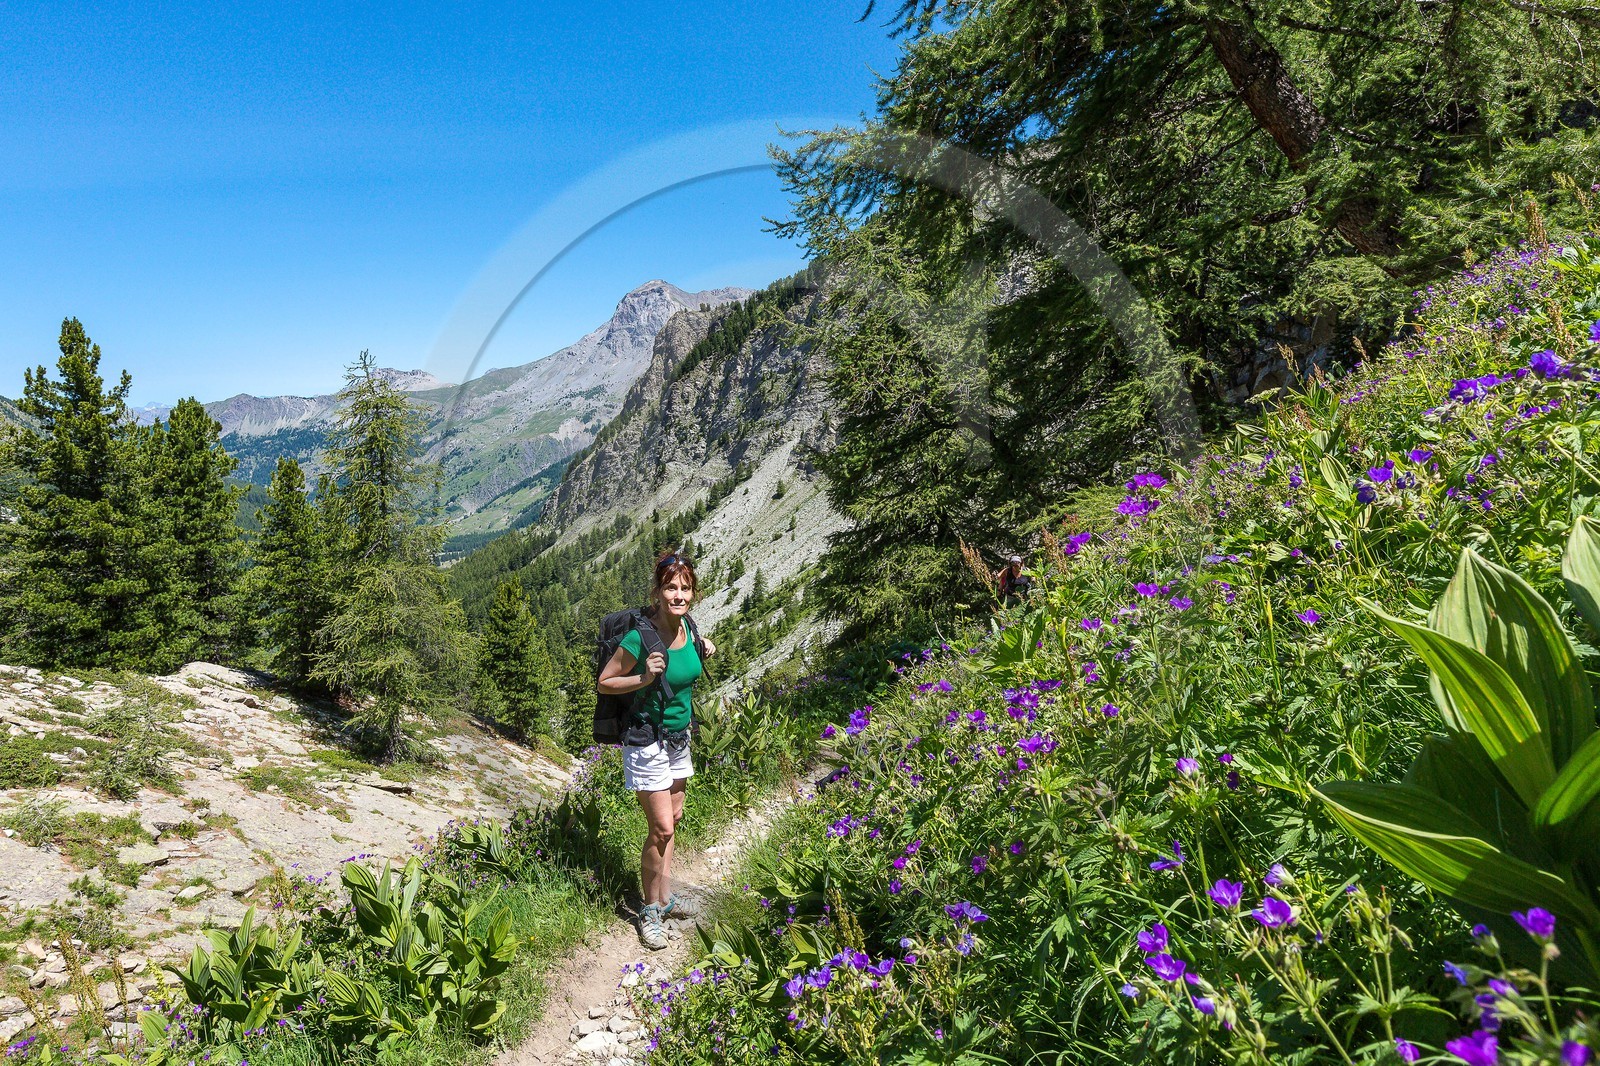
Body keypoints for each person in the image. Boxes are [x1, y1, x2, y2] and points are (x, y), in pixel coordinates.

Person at [596, 551, 717, 950]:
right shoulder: (640, 636)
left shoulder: (690, 629)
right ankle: (650, 910)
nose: (677, 594)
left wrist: (703, 647)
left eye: (684, 588)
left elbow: (689, 661)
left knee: (675, 821)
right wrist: (644, 677)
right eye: (670, 587)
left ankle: (664, 897)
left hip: (679, 738)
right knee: (662, 828)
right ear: (658, 591)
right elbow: (605, 683)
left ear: (693, 593)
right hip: (646, 739)